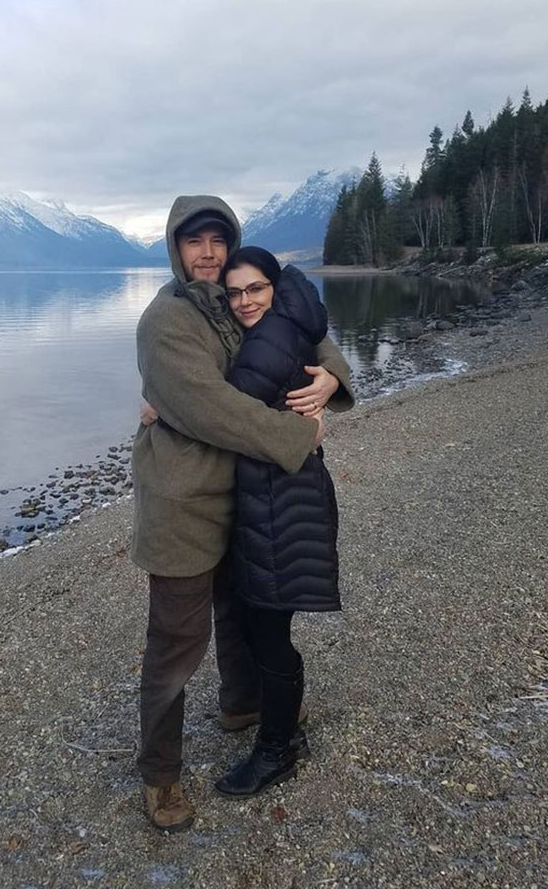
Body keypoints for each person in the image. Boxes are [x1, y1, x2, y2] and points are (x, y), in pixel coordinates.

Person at [131, 195, 354, 832]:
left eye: (217, 240)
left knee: (240, 611)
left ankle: (242, 705)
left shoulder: (236, 299)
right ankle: (160, 774)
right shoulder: (166, 322)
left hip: (243, 493)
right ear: (175, 249)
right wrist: (295, 436)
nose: (207, 253)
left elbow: (305, 331)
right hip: (181, 502)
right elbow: (210, 408)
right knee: (176, 643)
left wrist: (331, 380)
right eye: (193, 242)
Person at [212, 247, 341, 798]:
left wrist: (158, 406)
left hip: (279, 502)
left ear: (275, 287)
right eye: (235, 292)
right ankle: (283, 729)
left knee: (267, 629)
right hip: (282, 495)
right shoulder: (289, 325)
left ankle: (276, 750)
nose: (244, 302)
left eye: (254, 289)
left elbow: (221, 411)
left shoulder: (270, 339)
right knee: (266, 623)